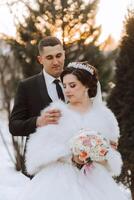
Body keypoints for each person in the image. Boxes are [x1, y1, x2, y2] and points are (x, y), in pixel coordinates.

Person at [18, 62, 127, 200]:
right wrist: (71, 158)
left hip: (96, 180)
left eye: (72, 85)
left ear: (86, 85)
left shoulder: (105, 117)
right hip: (59, 180)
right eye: (64, 86)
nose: (67, 90)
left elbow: (111, 155)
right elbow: (38, 151)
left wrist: (99, 153)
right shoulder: (56, 113)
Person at [9, 36, 65, 175]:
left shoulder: (76, 81)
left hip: (72, 162)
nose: (56, 61)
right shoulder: (27, 86)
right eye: (49, 57)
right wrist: (38, 122)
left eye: (59, 55)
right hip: (41, 164)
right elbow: (14, 126)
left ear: (64, 54)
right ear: (40, 59)